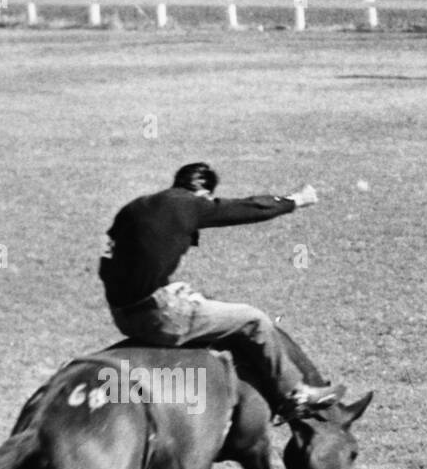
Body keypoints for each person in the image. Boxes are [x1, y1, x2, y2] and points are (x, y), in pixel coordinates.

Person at [100, 162, 344, 421]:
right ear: (204, 193)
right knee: (254, 320)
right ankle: (296, 394)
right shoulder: (189, 204)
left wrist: (159, 288)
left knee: (201, 304)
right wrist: (296, 200)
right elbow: (247, 208)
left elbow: (112, 262)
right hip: (160, 317)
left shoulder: (136, 207)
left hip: (122, 314)